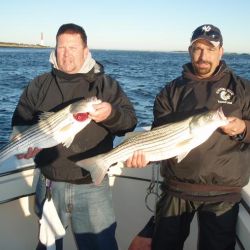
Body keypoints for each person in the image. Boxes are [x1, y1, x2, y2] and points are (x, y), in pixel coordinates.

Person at [11, 23, 137, 250]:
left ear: (86, 51)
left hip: (92, 186)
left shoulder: (105, 85)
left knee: (102, 245)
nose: (66, 53)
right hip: (49, 183)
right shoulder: (39, 85)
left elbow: (128, 123)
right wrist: (25, 143)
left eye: (73, 47)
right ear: (54, 49)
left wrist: (110, 114)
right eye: (61, 47)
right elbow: (21, 119)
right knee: (47, 246)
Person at [127, 24, 250, 250]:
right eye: (197, 49)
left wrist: (244, 127)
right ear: (189, 50)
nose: (203, 56)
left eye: (210, 49)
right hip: (174, 189)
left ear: (221, 51)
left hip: (222, 194)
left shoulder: (243, 89)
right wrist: (143, 156)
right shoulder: (170, 91)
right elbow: (159, 139)